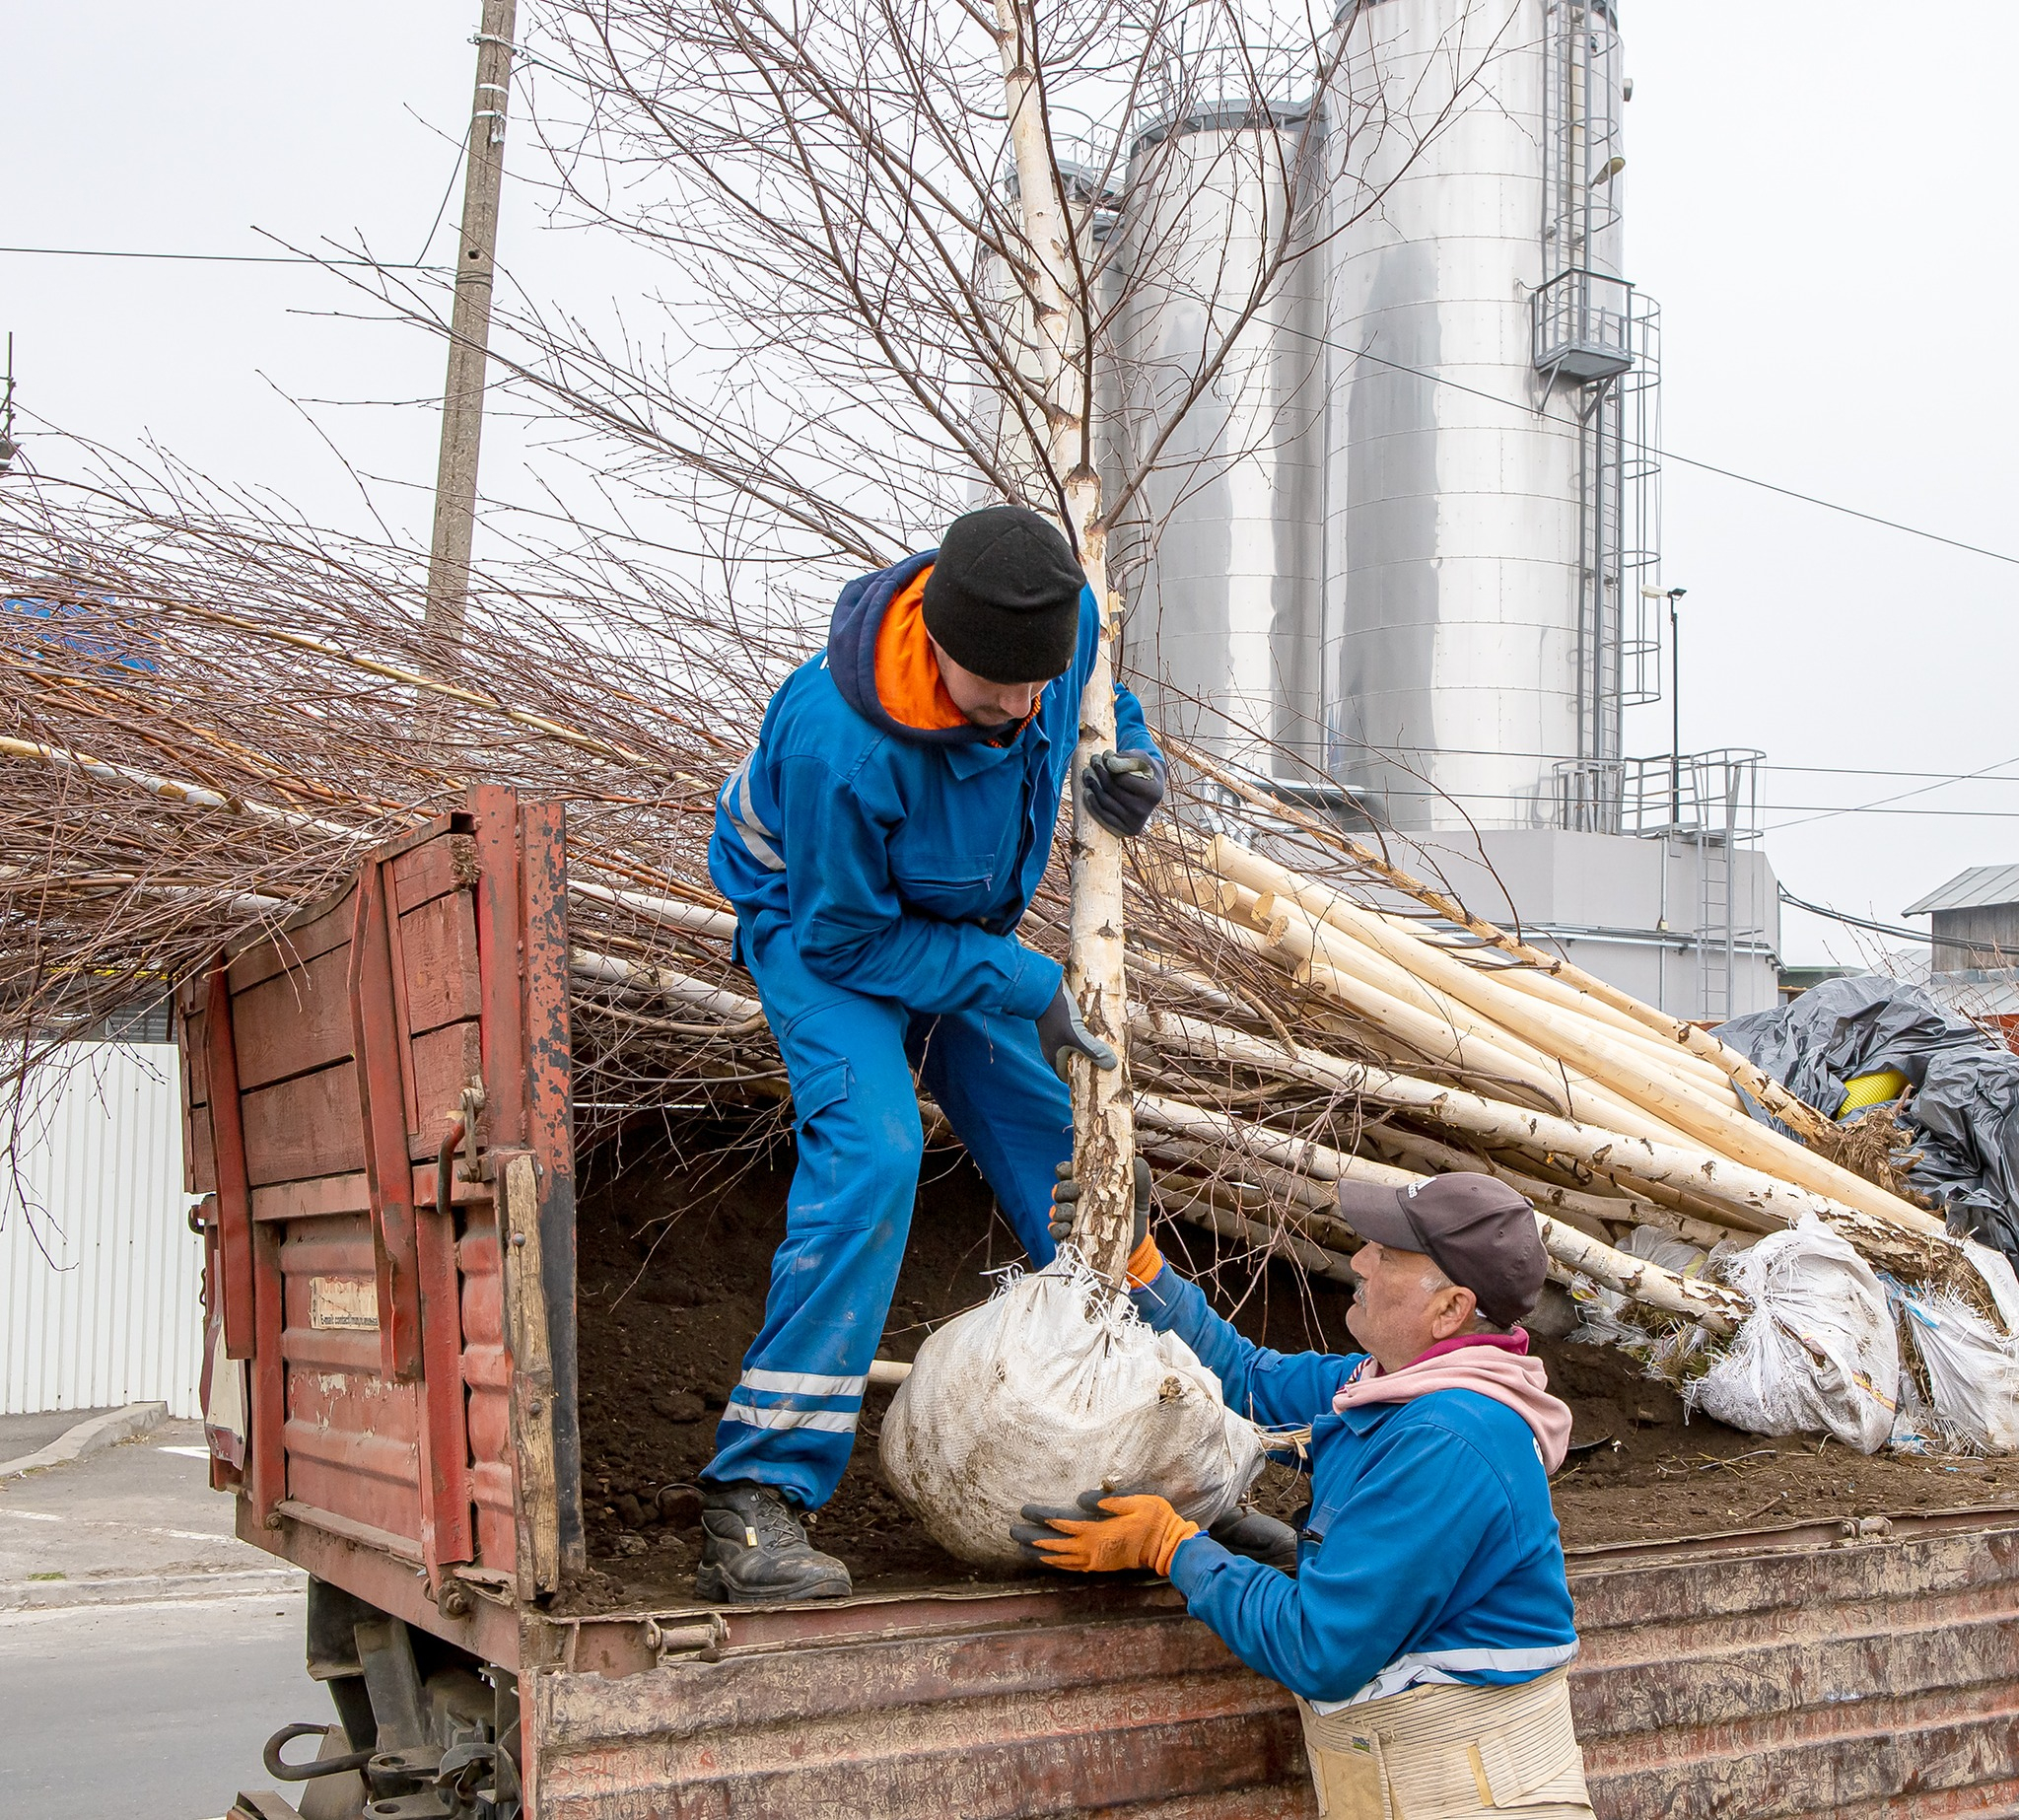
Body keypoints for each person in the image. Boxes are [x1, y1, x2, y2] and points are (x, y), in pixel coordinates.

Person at [700, 504, 1166, 1603]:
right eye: (992, 690)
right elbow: (847, 936)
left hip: (952, 924)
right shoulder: (839, 743)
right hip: (824, 928)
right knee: (872, 1152)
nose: (1018, 712)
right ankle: (753, 1495)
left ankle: (1162, 1430)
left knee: (1069, 1158)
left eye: (1035, 689)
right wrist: (1031, 981)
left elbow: (1105, 709)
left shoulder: (1059, 629)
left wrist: (1130, 764)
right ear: (942, 643)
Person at [1017, 1171, 1594, 1820]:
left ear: (1450, 1309)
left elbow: (1320, 1650)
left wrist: (1172, 1547)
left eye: (1388, 1255)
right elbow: (1246, 1378)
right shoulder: (1391, 1385)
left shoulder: (1448, 1441)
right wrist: (1143, 1266)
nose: (1360, 1261)